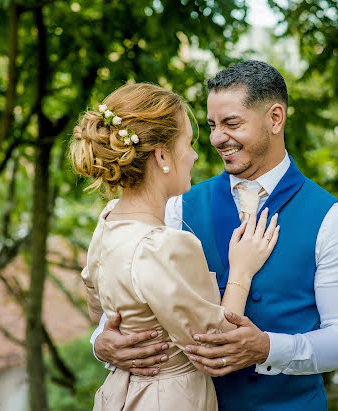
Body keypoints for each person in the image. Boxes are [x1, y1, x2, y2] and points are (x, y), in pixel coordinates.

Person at [92, 60, 338, 410]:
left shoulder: (333, 220)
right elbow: (129, 306)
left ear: (275, 118)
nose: (217, 138)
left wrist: (268, 348)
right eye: (211, 125)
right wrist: (100, 342)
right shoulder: (177, 207)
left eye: (231, 123)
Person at [70, 82, 279, 410]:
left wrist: (108, 340)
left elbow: (99, 306)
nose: (195, 155)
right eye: (188, 143)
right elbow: (216, 348)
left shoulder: (109, 221)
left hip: (121, 396)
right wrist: (241, 269)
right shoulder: (164, 245)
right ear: (162, 155)